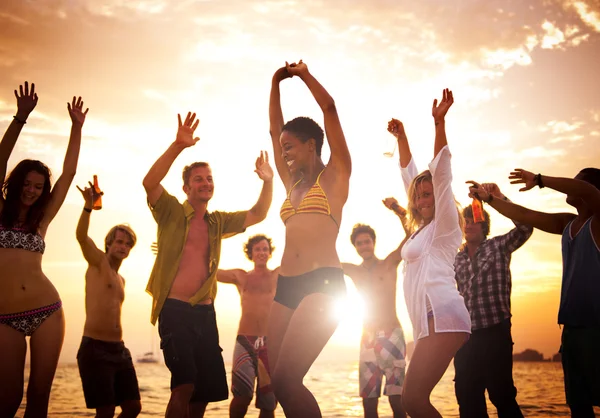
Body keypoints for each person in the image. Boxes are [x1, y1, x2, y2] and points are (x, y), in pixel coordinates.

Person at [143, 111, 273, 418]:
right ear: (187, 187)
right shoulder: (171, 212)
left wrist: (268, 181)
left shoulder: (218, 222)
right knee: (184, 384)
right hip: (174, 311)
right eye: (198, 179)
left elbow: (259, 213)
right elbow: (150, 182)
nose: (206, 183)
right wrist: (178, 145)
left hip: (205, 312)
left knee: (203, 392)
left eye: (209, 178)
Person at [467, 168, 600, 418]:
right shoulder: (567, 224)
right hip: (571, 332)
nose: (571, 185)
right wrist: (492, 200)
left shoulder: (598, 222)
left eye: (576, 181)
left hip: (597, 331)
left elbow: (588, 192)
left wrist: (540, 180)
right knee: (579, 407)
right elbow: (526, 215)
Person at [267, 60, 352, 418]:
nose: (283, 152)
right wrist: (275, 82)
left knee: (287, 380)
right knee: (277, 381)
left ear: (312, 145)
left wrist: (303, 76)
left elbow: (329, 108)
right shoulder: (292, 184)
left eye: (290, 147)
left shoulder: (335, 176)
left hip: (323, 285)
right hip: (285, 287)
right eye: (282, 148)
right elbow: (274, 130)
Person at [0, 82, 87, 417]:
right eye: (26, 184)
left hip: (46, 310)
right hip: (5, 317)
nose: (32, 191)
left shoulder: (42, 219)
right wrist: (20, 119)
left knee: (39, 399)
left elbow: (69, 173)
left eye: (38, 187)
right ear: (15, 183)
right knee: (7, 401)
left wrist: (76, 128)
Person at [388, 91, 471, 418]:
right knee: (411, 401)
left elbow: (441, 174)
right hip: (429, 320)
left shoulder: (446, 226)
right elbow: (410, 174)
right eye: (419, 196)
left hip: (443, 314)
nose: (423, 198)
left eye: (429, 194)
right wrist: (403, 137)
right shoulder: (421, 228)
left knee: (413, 401)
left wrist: (439, 123)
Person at [453, 183, 533, 418]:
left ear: (484, 225)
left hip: (495, 333)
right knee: (468, 401)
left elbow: (526, 226)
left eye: (474, 220)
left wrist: (495, 198)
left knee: (502, 396)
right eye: (465, 221)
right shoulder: (454, 259)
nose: (469, 224)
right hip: (465, 337)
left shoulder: (498, 246)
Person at [74, 182, 142, 417]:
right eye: (119, 242)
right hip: (95, 347)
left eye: (127, 243)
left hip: (118, 349)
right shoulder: (98, 262)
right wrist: (87, 207)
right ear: (109, 244)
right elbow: (82, 237)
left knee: (133, 407)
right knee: (106, 411)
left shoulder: (121, 279)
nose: (123, 246)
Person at [341, 198, 409, 418]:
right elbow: (323, 261)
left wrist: (399, 211)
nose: (364, 246)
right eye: (359, 243)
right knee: (369, 402)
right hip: (367, 339)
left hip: (393, 336)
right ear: (355, 247)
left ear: (374, 242)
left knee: (397, 400)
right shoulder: (352, 270)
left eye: (367, 241)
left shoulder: (388, 263)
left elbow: (410, 237)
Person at [217, 234, 279, 418]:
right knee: (241, 396)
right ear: (250, 253)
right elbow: (209, 269)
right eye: (258, 249)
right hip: (245, 342)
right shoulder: (241, 276)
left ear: (270, 253)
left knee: (268, 403)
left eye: (265, 249)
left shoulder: (277, 275)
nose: (262, 252)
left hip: (270, 343)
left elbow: (299, 262)